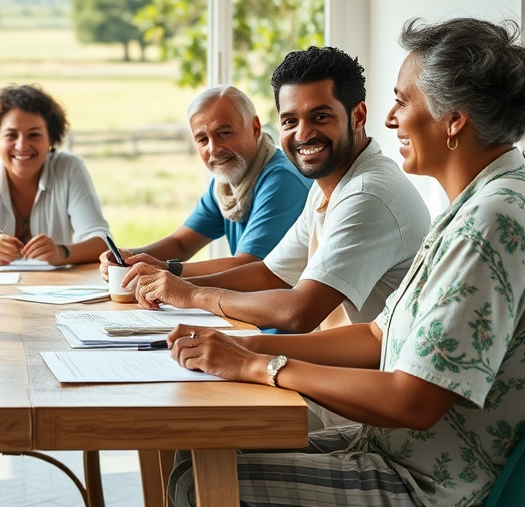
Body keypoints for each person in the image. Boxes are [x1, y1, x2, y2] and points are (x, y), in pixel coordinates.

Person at [165, 16, 525, 507]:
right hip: (393, 447)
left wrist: (256, 366)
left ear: (453, 119)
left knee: (203, 480)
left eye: (404, 100)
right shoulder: (473, 205)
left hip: (429, 488)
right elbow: (380, 335)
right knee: (198, 455)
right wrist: (252, 346)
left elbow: (414, 401)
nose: (392, 118)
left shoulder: (489, 222)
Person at [131, 47, 430, 335]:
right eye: (290, 121)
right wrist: (180, 283)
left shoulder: (367, 194)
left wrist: (196, 296)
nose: (303, 134)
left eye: (320, 117)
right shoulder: (329, 184)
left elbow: (298, 311)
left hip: (363, 377)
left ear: (358, 117)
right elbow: (269, 274)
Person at [98, 85, 309, 280]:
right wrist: (129, 257)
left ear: (254, 128)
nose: (214, 149)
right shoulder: (225, 185)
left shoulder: (282, 179)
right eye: (202, 139)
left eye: (224, 133)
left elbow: (248, 264)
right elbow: (180, 244)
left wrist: (165, 269)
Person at [0, 84, 110, 265]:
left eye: (34, 135)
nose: (22, 146)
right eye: (11, 135)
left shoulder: (70, 168)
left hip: (54, 290)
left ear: (51, 138)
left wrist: (61, 252)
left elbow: (103, 242)